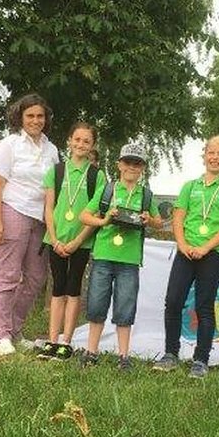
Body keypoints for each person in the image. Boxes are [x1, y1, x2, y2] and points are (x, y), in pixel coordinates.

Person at [152, 135, 219, 378]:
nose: (215, 157)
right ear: (204, 156)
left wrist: (206, 247)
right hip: (186, 251)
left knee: (203, 305)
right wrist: (182, 244)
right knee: (174, 300)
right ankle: (171, 353)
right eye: (211, 152)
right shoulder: (189, 186)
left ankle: (201, 359)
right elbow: (178, 219)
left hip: (212, 253)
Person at [78, 142, 162, 372]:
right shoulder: (107, 189)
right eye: (128, 162)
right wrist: (104, 220)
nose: (132, 167)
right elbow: (84, 216)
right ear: (119, 165)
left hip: (129, 259)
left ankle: (123, 356)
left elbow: (158, 221)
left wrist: (148, 219)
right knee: (96, 303)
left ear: (143, 168)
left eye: (137, 163)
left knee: (125, 307)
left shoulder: (146, 194)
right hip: (104, 254)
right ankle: (91, 351)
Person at [0, 94, 60, 355]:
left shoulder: (52, 150)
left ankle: (16, 330)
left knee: (35, 277)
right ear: (20, 117)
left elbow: (54, 188)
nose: (35, 120)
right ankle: (1, 336)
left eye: (40, 116)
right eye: (30, 115)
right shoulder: (8, 145)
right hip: (13, 211)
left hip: (40, 218)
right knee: (8, 275)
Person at [38, 122, 106, 361]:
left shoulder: (97, 176)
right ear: (69, 141)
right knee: (58, 288)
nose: (81, 145)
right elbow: (48, 209)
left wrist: (77, 241)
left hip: (81, 242)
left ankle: (67, 341)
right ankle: (52, 340)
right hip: (55, 239)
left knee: (73, 288)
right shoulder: (55, 171)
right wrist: (54, 239)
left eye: (86, 141)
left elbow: (96, 213)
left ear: (92, 146)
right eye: (77, 139)